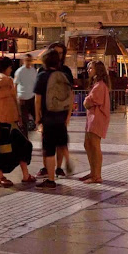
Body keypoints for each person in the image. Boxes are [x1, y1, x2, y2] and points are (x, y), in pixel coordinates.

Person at [0, 56, 35, 186]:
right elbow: (4, 82)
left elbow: (14, 99)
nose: (11, 69)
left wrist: (19, 116)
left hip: (11, 120)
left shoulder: (9, 81)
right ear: (4, 68)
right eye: (10, 67)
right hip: (0, 120)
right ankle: (0, 177)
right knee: (0, 150)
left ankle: (26, 175)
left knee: (24, 146)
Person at [34, 47, 74, 189]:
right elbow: (71, 95)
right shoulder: (64, 74)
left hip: (48, 116)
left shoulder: (42, 75)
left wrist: (38, 118)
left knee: (49, 149)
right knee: (62, 141)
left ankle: (50, 180)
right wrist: (68, 115)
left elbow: (38, 99)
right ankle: (67, 159)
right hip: (61, 115)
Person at [81, 60, 110, 184]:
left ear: (98, 70)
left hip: (97, 119)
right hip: (92, 118)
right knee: (88, 144)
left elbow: (89, 101)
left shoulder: (100, 86)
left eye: (91, 68)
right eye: (88, 68)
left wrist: (86, 101)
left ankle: (97, 176)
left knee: (94, 146)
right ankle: (93, 171)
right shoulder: (97, 85)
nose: (88, 70)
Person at [13, 53, 38, 138]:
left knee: (37, 117)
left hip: (32, 97)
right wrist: (16, 97)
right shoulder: (19, 71)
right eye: (27, 60)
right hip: (22, 98)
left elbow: (36, 83)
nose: (28, 62)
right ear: (24, 61)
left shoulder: (33, 71)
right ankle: (25, 139)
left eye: (30, 60)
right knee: (24, 121)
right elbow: (15, 85)